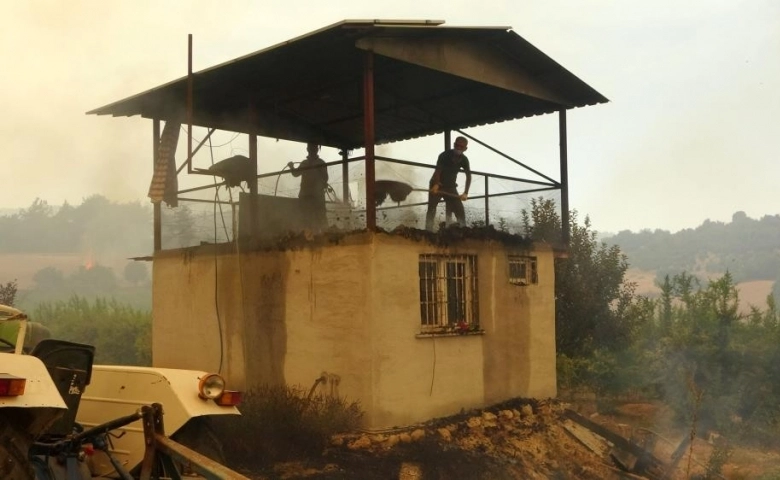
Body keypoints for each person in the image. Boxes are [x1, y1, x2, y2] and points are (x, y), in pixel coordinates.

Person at [425, 136, 472, 231]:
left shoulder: (464, 160)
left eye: (461, 147)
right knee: (432, 208)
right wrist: (436, 184)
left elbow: (468, 176)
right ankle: (428, 231)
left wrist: (466, 192)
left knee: (459, 210)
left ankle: (464, 232)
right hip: (437, 185)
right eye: (457, 145)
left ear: (465, 149)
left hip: (450, 187)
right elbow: (438, 171)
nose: (458, 148)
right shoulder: (444, 155)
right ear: (454, 144)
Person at [288, 142, 329, 232]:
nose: (312, 150)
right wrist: (291, 167)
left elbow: (325, 179)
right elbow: (296, 173)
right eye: (311, 148)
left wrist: (291, 167)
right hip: (307, 196)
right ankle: (307, 236)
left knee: (318, 217)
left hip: (315, 196)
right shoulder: (306, 163)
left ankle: (323, 236)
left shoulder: (319, 163)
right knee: (306, 217)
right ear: (308, 150)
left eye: (313, 148)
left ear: (316, 150)